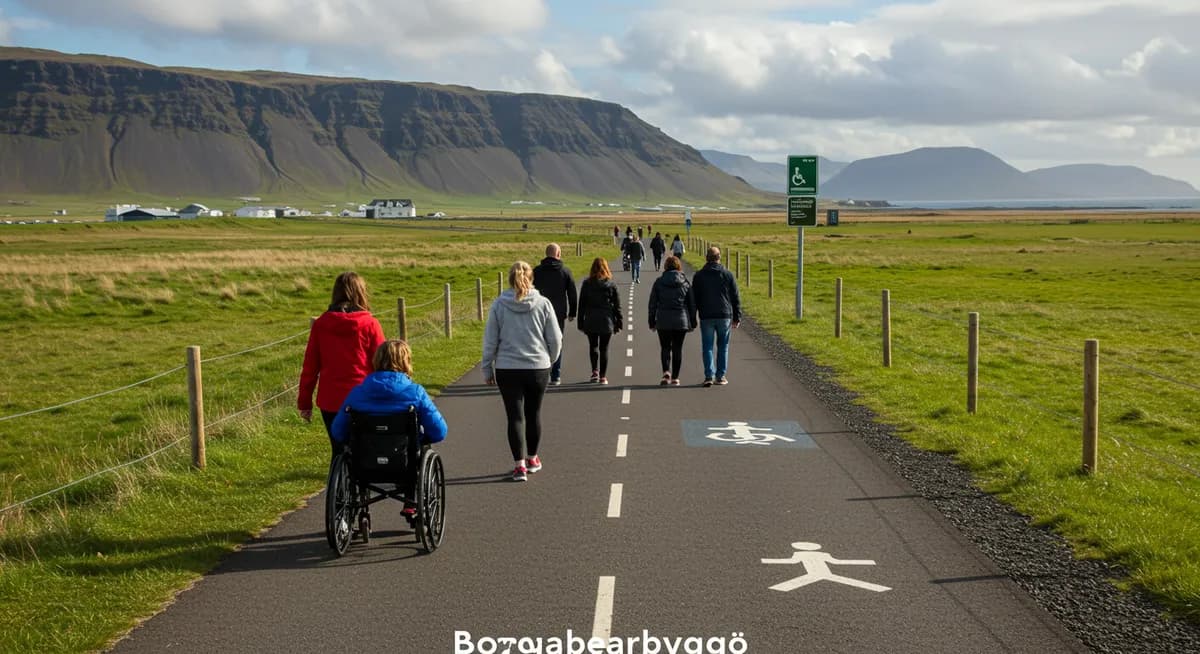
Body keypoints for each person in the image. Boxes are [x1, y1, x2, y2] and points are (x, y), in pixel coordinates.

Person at [331, 340, 447, 516]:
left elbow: (338, 432)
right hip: (404, 461)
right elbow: (439, 431)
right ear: (406, 362)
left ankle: (361, 505)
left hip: (364, 461)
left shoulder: (357, 393)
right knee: (421, 445)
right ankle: (410, 500)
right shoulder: (415, 392)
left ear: (376, 361)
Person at [482, 261, 563, 482]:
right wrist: (551, 359)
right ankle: (532, 458)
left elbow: (490, 340)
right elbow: (555, 338)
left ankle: (519, 466)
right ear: (531, 278)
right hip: (538, 366)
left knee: (514, 417)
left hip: (508, 368)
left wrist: (487, 367)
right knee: (533, 413)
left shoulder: (499, 304)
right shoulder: (543, 303)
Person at [298, 271, 387, 458]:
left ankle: (338, 482)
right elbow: (382, 364)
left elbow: (310, 368)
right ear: (360, 293)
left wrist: (305, 403)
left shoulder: (321, 325)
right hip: (364, 397)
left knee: (338, 451)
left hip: (331, 400)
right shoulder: (370, 324)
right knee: (364, 450)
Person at [691, 246, 741, 387]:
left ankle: (708, 375)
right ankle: (720, 376)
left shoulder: (699, 275)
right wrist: (737, 316)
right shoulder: (727, 274)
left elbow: (694, 299)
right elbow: (735, 297)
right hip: (724, 314)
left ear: (706, 257)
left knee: (707, 346)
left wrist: (692, 317)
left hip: (706, 315)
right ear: (719, 257)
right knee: (723, 346)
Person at [532, 243, 578, 385]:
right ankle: (555, 374)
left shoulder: (536, 271)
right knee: (557, 341)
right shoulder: (565, 271)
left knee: (539, 341)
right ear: (558, 254)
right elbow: (572, 293)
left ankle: (541, 372)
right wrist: (572, 312)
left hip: (538, 312)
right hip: (558, 312)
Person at [648, 256, 697, 386]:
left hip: (663, 320)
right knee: (677, 348)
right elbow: (691, 304)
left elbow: (652, 304)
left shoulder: (659, 282)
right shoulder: (685, 283)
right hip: (681, 320)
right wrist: (693, 321)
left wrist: (651, 321)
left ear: (665, 266)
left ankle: (665, 372)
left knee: (665, 347)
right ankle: (675, 377)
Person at [577, 257, 622, 384]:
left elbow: (582, 304)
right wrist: (619, 322)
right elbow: (617, 306)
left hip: (591, 318)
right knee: (604, 348)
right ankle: (603, 376)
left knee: (593, 346)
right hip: (606, 319)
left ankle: (594, 371)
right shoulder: (611, 285)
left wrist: (580, 322)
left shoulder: (587, 284)